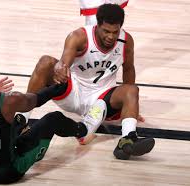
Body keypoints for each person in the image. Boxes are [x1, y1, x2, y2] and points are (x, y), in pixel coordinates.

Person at [17, 4, 155, 160]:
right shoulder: (79, 37)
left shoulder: (126, 41)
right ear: (97, 25)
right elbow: (63, 63)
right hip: (73, 92)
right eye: (106, 31)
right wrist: (60, 68)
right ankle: (20, 121)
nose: (110, 36)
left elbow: (129, 69)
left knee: (132, 90)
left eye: (115, 32)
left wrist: (131, 106)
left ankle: (127, 140)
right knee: (45, 62)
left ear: (120, 28)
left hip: (103, 98)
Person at [0, 47, 89, 184]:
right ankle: (84, 129)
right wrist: (60, 87)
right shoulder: (9, 100)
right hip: (7, 173)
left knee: (16, 121)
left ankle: (19, 133)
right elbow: (37, 99)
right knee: (54, 119)